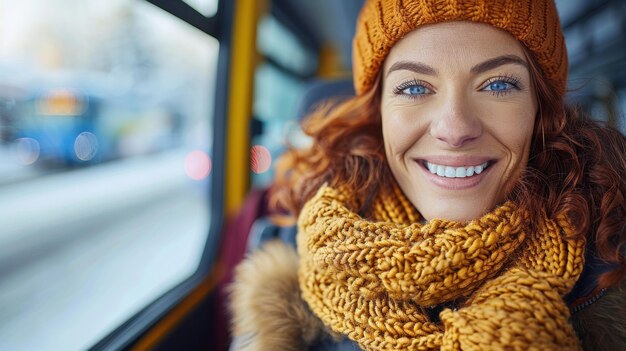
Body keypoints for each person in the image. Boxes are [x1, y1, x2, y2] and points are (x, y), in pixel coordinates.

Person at [229, 0, 626, 350]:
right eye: (415, 88)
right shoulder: (282, 259)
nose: (454, 129)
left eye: (498, 84)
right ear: (378, 112)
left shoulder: (612, 262)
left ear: (540, 110)